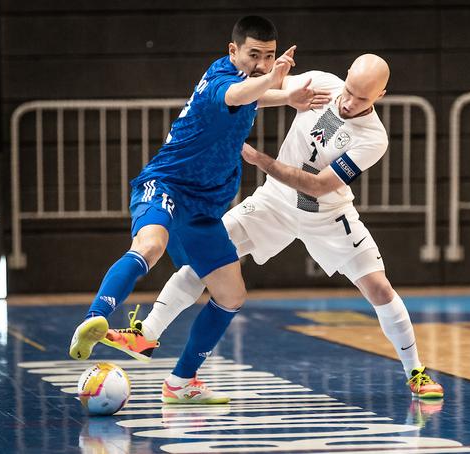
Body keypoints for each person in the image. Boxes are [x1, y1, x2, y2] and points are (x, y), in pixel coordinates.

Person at [106, 54, 444, 400]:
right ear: (345, 77)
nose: (349, 101)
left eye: (362, 98)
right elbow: (264, 90)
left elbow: (317, 186)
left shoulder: (373, 138)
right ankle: (146, 334)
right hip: (274, 201)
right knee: (205, 261)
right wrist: (272, 79)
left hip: (326, 214)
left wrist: (262, 161)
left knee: (380, 289)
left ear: (380, 96)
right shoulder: (324, 86)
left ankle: (414, 371)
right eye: (350, 90)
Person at [68, 15, 331, 405]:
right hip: (168, 184)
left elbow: (253, 96)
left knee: (231, 294)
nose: (261, 62)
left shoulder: (248, 82)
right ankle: (93, 319)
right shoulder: (222, 80)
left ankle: (181, 383)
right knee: (151, 245)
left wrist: (286, 97)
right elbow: (241, 95)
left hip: (206, 205)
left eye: (269, 55)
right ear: (233, 51)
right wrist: (274, 79)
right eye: (253, 55)